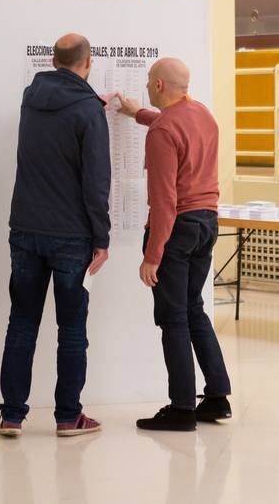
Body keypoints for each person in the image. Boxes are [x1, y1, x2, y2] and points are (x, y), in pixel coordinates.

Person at [0, 33, 111, 438]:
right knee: (72, 330)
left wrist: (94, 101)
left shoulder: (31, 96)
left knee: (21, 324)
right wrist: (103, 237)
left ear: (52, 59)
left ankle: (11, 416)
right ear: (89, 61)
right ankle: (68, 417)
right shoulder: (88, 110)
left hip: (25, 230)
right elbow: (96, 181)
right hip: (72, 237)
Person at [118, 57, 231, 432]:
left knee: (173, 318)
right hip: (206, 222)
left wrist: (153, 257)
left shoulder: (163, 132)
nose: (146, 85)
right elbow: (174, 127)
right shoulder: (203, 114)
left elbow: (164, 201)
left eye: (150, 80)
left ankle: (182, 407)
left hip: (177, 229)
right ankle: (217, 396)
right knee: (193, 308)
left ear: (161, 85)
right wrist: (140, 114)